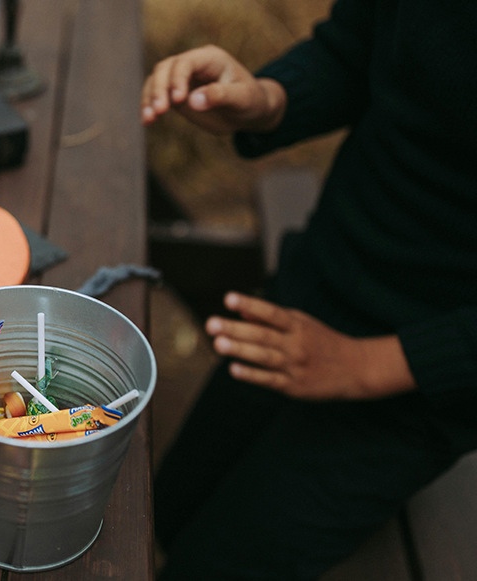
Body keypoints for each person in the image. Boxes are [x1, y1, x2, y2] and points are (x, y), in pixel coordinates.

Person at [141, 0, 477, 579]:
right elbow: (355, 48)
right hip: (324, 278)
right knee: (167, 509)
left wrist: (367, 366)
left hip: (429, 380)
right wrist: (268, 99)